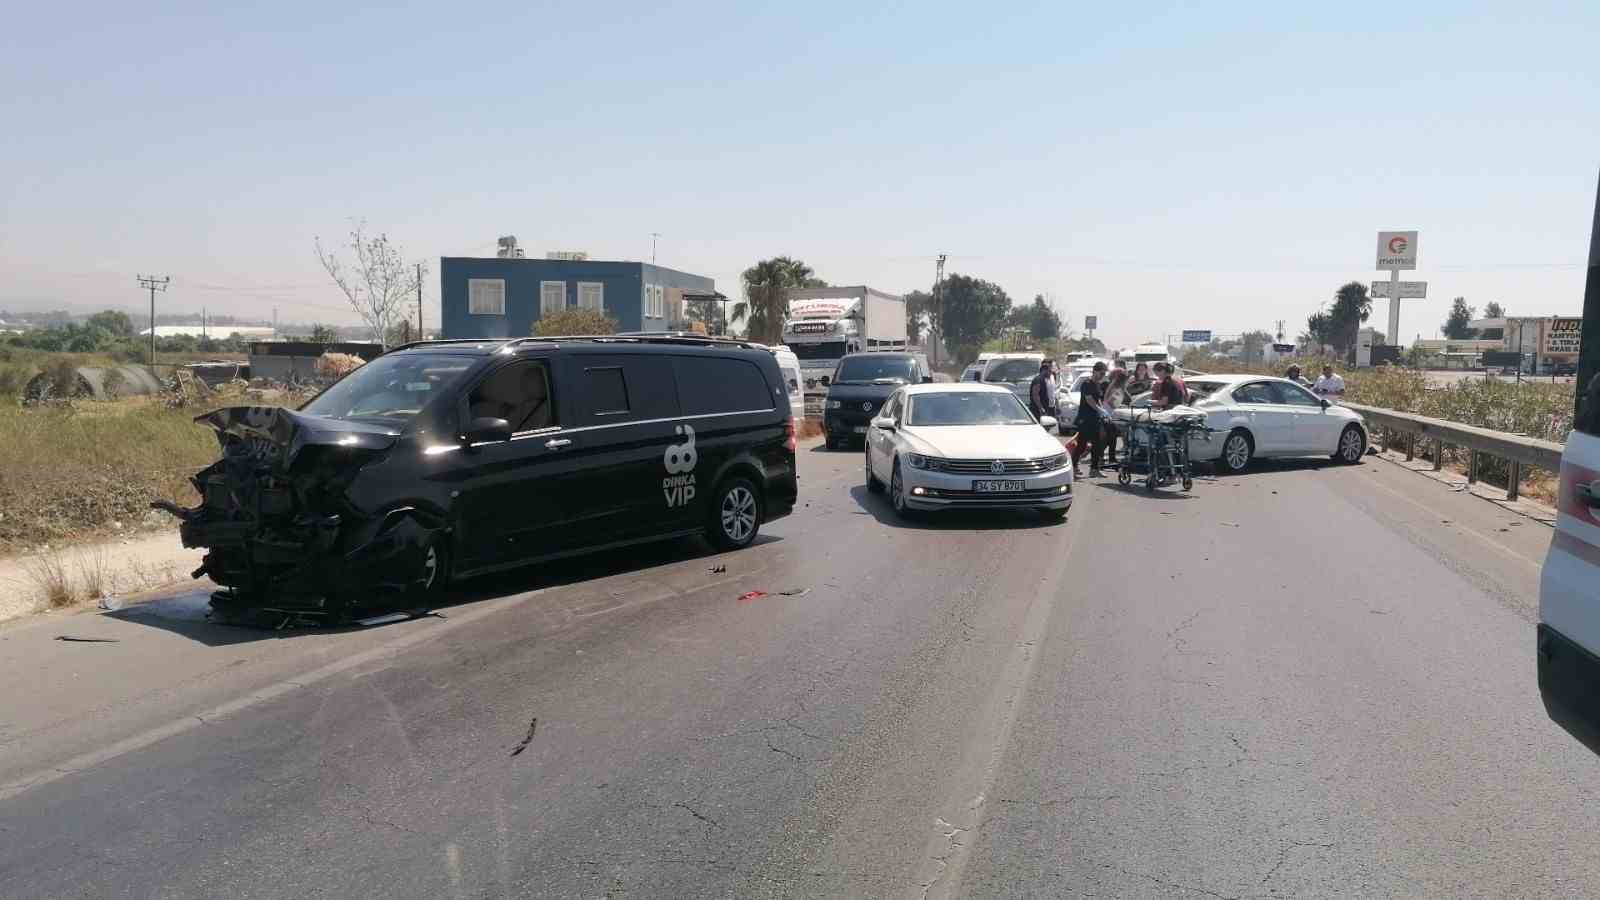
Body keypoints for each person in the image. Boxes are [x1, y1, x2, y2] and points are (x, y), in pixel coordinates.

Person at [1073, 361, 1108, 477]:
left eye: (1104, 374)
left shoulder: (1097, 384)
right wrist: (1099, 410)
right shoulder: (1086, 384)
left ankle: (1094, 469)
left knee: (1097, 444)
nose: (1102, 376)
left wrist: (1103, 411)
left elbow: (1098, 400)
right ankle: (1073, 466)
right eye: (1101, 373)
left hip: (1095, 418)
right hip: (1085, 418)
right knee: (1082, 445)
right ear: (1095, 371)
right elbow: (1089, 399)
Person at [1102, 368, 1130, 465]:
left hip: (1109, 414)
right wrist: (1119, 407)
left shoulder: (1116, 387)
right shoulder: (1116, 389)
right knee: (1110, 438)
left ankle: (1111, 458)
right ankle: (1103, 457)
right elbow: (1111, 402)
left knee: (1112, 438)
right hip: (1109, 415)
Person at [1029, 358, 1059, 425]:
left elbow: (1053, 392)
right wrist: (1041, 408)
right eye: (1053, 367)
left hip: (1051, 408)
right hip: (1041, 409)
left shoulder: (1053, 376)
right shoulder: (1038, 379)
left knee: (1051, 426)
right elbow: (1035, 395)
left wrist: (1057, 406)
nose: (1054, 368)